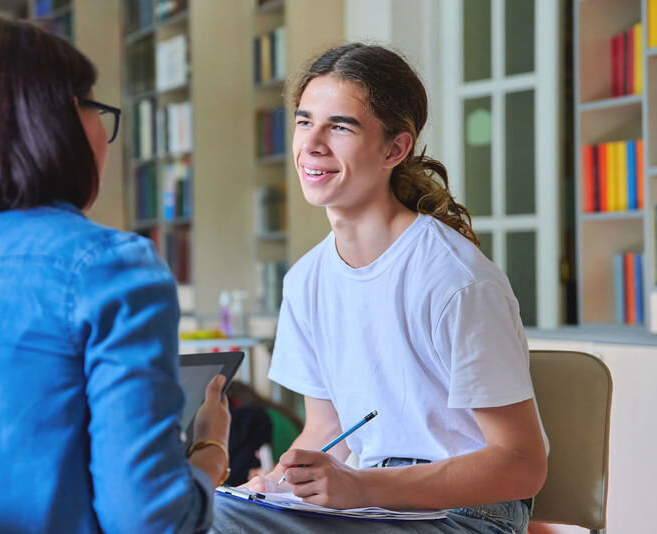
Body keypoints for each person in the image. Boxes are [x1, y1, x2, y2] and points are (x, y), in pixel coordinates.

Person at [0, 18, 230, 533]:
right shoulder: (113, 269)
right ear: (62, 123)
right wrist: (209, 458)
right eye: (96, 109)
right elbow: (147, 520)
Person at [212, 43, 548, 534]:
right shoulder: (306, 281)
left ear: (395, 148)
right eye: (305, 122)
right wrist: (278, 483)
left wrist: (364, 488)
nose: (312, 145)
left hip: (470, 514)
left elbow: (522, 464)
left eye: (340, 127)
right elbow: (328, 432)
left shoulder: (455, 279)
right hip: (367, 505)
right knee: (202, 511)